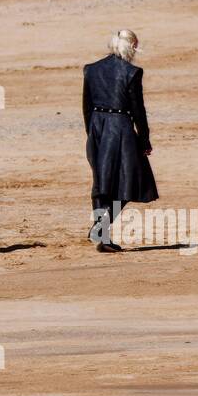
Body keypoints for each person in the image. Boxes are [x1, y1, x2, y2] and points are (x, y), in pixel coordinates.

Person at [82, 30, 158, 252]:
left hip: (97, 128)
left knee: (101, 184)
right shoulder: (132, 72)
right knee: (131, 181)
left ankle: (100, 229)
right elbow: (138, 110)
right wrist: (144, 140)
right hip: (121, 128)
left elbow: (86, 107)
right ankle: (101, 229)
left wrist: (93, 135)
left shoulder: (91, 69)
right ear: (132, 46)